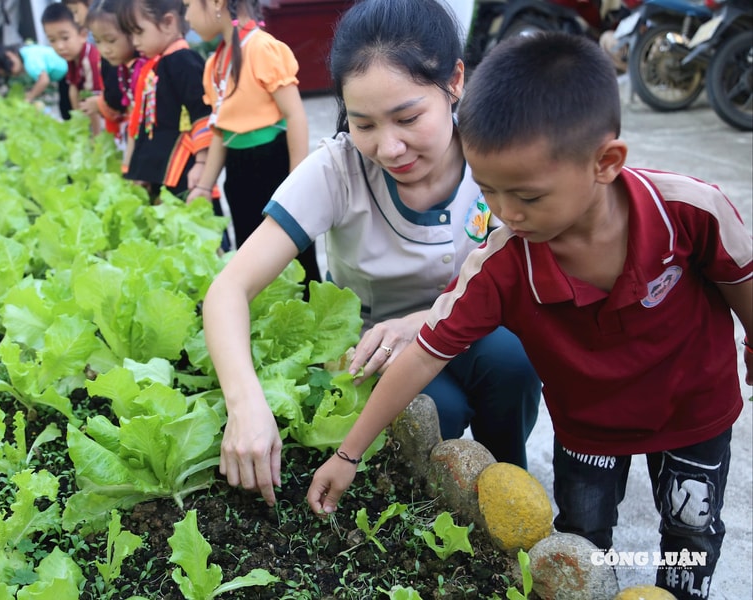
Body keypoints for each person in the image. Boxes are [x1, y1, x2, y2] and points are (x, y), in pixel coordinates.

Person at [307, 31, 752, 600]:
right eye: (489, 191)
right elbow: (424, 354)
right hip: (590, 425)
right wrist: (348, 453)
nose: (507, 213)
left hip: (696, 408)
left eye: (528, 196)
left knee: (691, 531)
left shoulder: (690, 211)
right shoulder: (502, 262)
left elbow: (741, 282)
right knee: (581, 543)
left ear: (605, 162)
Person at [202, 0, 541, 507]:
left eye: (408, 118)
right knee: (434, 413)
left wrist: (419, 322)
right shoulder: (337, 170)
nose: (389, 148)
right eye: (364, 125)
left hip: (471, 328)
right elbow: (228, 290)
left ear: (454, 82)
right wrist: (245, 402)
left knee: (512, 362)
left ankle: (511, 492)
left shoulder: (491, 154)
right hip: (374, 352)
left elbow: (532, 280)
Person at [184, 0, 320, 283]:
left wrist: (297, 182)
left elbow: (295, 115)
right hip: (238, 173)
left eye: (188, 5)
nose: (187, 16)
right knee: (252, 259)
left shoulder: (261, 48)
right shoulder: (214, 63)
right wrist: (204, 186)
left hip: (274, 168)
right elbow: (222, 131)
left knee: (295, 260)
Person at [117, 0, 213, 199]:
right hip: (163, 173)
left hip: (186, 170)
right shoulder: (157, 64)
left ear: (168, 22)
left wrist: (202, 163)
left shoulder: (183, 60)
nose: (134, 42)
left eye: (139, 32)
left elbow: (203, 114)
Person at [81, 0, 146, 168]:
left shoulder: (142, 68)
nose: (104, 49)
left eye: (111, 40)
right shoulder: (120, 66)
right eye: (98, 41)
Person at [41, 3, 103, 133]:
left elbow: (93, 103)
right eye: (52, 40)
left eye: (65, 38)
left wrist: (95, 138)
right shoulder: (72, 57)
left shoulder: (90, 61)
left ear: (83, 35)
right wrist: (78, 122)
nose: (59, 46)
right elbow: (73, 89)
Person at [0, 42, 68, 104]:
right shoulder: (25, 52)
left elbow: (44, 80)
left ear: (10, 55)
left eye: (9, 70)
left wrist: (29, 97)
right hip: (64, 74)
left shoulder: (30, 62)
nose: (13, 75)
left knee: (66, 107)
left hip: (68, 72)